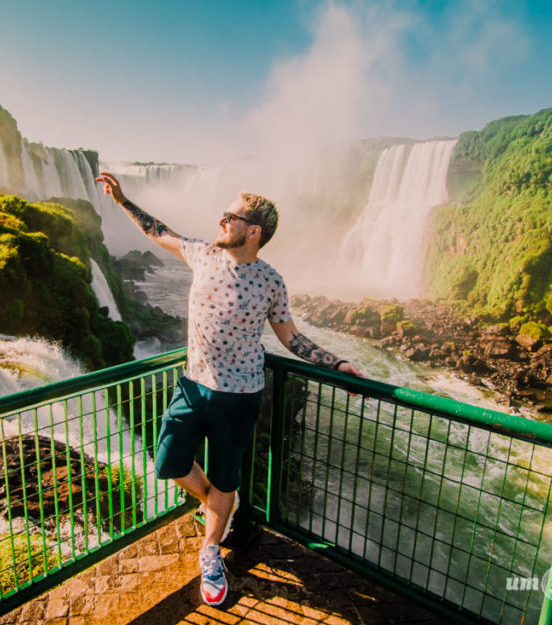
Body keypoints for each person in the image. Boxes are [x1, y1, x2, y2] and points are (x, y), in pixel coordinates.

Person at [95, 172, 363, 607]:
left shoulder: (271, 281)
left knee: (224, 475)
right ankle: (222, 505)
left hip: (239, 397)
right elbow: (157, 230)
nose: (220, 221)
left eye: (230, 217)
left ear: (253, 231)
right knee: (169, 462)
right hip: (192, 386)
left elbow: (290, 337)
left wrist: (335, 363)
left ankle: (211, 550)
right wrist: (124, 200)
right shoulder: (202, 254)